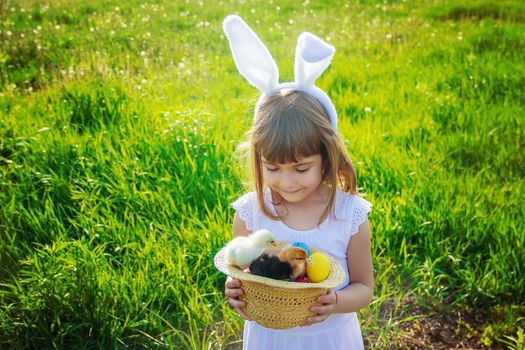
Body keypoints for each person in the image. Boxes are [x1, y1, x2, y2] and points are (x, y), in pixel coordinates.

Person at [222, 15, 373, 350]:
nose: (286, 182)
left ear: (327, 157)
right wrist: (235, 289)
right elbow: (241, 272)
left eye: (301, 169)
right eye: (272, 168)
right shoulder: (251, 212)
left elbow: (364, 287)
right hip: (269, 339)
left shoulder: (348, 215)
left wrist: (336, 301)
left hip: (330, 339)